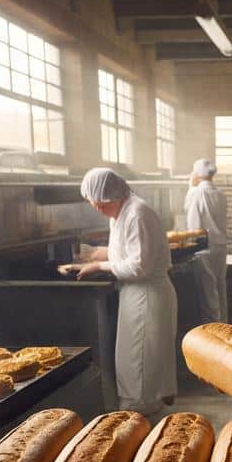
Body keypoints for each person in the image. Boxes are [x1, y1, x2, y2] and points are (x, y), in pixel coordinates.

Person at [72, 168, 178, 414]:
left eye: (97, 204)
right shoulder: (121, 213)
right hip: (137, 294)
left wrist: (99, 265)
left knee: (138, 363)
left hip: (147, 295)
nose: (96, 209)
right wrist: (96, 253)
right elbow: (128, 249)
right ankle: (145, 416)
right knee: (143, 362)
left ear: (107, 197)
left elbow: (139, 266)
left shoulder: (137, 214)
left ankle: (136, 421)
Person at [185, 158, 229, 323]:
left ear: (197, 174)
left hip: (205, 247)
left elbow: (189, 213)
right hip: (221, 246)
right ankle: (225, 325)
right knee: (220, 288)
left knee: (208, 293)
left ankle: (213, 333)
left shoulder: (196, 192)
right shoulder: (220, 194)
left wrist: (190, 184)